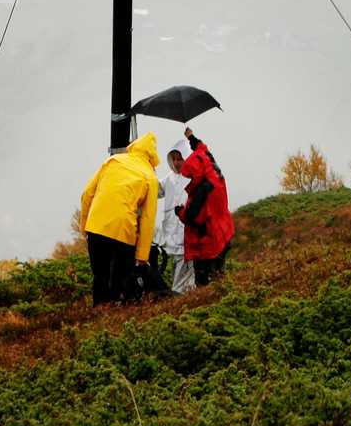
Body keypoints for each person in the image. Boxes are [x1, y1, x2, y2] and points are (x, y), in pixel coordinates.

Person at [78, 132, 161, 305]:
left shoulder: (113, 161)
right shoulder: (150, 177)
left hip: (96, 226)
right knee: (121, 280)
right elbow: (147, 218)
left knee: (99, 277)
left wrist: (84, 227)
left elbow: (87, 195)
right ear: (152, 157)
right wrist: (142, 256)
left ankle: (98, 318)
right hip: (123, 231)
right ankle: (116, 318)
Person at [177, 127, 234, 285]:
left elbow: (191, 218)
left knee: (206, 284)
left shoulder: (201, 192)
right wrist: (191, 138)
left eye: (188, 176)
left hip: (208, 244)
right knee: (220, 280)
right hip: (223, 231)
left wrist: (179, 211)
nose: (187, 180)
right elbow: (203, 148)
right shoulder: (209, 164)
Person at [159, 146, 195, 294]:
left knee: (186, 265)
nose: (176, 162)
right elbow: (156, 190)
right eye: (173, 159)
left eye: (179, 158)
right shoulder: (169, 178)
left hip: (186, 232)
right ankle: (182, 295)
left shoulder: (192, 177)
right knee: (177, 265)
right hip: (172, 233)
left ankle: (181, 296)